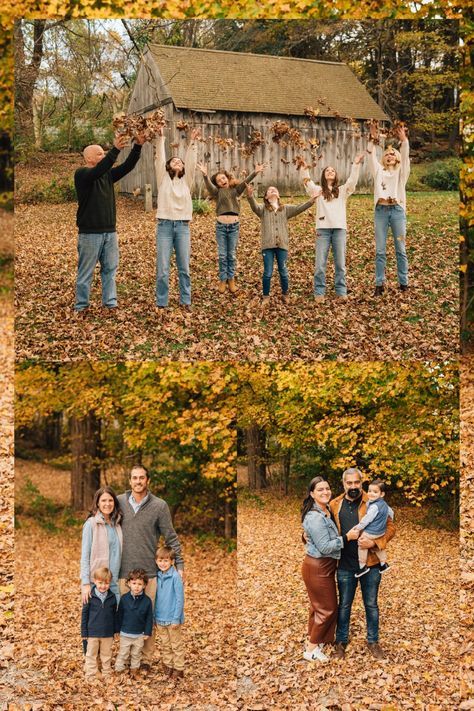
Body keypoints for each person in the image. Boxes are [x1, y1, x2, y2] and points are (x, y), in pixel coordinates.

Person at [117, 464, 183, 672]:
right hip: (123, 572)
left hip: (150, 573)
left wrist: (179, 564)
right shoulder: (119, 502)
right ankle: (127, 657)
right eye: (134, 478)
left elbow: (171, 537)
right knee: (127, 615)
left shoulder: (159, 506)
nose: (138, 481)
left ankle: (144, 660)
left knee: (147, 615)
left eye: (142, 478)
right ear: (129, 481)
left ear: (148, 481)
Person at [74, 131, 146, 313]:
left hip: (110, 232)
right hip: (89, 234)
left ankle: (110, 303)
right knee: (86, 272)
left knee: (110, 270)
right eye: (99, 153)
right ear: (89, 158)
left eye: (104, 153)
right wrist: (115, 150)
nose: (103, 155)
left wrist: (138, 146)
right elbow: (99, 170)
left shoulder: (107, 175)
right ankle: (81, 306)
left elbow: (128, 166)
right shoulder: (82, 174)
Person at [329, 467, 396, 660]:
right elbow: (322, 525)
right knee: (344, 605)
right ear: (343, 484)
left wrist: (375, 542)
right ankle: (341, 642)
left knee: (371, 604)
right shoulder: (335, 504)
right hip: (344, 564)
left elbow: (391, 528)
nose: (353, 486)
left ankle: (373, 642)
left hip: (371, 563)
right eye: (349, 483)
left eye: (356, 482)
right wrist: (305, 535)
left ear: (362, 482)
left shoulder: (373, 501)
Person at [301, 476, 359, 662]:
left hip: (324, 566)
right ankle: (310, 650)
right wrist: (347, 538)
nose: (325, 492)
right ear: (312, 494)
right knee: (328, 609)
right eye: (320, 490)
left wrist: (305, 534)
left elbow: (315, 535)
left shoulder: (327, 510)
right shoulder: (315, 516)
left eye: (327, 488)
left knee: (317, 607)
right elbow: (325, 546)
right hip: (318, 567)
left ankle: (314, 641)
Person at [301, 155, 365, 302]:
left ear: (336, 175)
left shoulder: (342, 191)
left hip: (339, 230)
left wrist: (355, 165)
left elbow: (352, 182)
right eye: (327, 170)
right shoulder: (317, 190)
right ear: (323, 175)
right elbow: (307, 183)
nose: (330, 171)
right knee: (320, 264)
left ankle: (341, 291)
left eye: (333, 170)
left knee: (340, 263)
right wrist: (304, 170)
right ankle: (319, 292)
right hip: (322, 230)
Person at [197, 161, 266, 294]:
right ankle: (223, 280)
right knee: (223, 255)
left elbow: (245, 181)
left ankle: (231, 279)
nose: (222, 180)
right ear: (217, 184)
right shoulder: (217, 192)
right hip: (221, 227)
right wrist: (205, 175)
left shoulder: (236, 190)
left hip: (234, 226)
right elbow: (209, 187)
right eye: (218, 180)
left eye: (223, 178)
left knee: (231, 255)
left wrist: (255, 172)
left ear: (227, 178)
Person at [246, 184, 316, 306]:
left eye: (275, 190)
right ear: (266, 197)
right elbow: (254, 206)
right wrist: (250, 196)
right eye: (269, 190)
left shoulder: (285, 209)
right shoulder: (262, 209)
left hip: (282, 245)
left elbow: (300, 207)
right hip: (267, 246)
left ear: (278, 195)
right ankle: (266, 296)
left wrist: (311, 201)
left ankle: (285, 294)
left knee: (283, 271)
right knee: (268, 272)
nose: (272, 190)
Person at [154, 126, 200, 309]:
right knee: (163, 269)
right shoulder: (162, 178)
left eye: (179, 162)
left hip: (182, 227)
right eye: (174, 161)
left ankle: (185, 300)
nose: (178, 162)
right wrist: (161, 138)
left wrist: (193, 142)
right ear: (168, 166)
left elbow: (191, 162)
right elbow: (159, 159)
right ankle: (162, 302)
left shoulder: (186, 181)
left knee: (184, 267)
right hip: (164, 226)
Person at [367, 123, 410, 296]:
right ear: (383, 159)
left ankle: (403, 283)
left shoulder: (401, 172)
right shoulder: (378, 171)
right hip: (381, 213)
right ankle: (379, 284)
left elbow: (406, 158)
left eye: (393, 153)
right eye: (387, 154)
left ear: (397, 158)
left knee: (400, 248)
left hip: (397, 213)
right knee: (380, 250)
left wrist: (404, 140)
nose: (390, 155)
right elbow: (371, 155)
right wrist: (372, 138)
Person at [80, 486, 123, 603]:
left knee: (115, 619)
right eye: (103, 500)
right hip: (97, 584)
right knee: (97, 620)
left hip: (114, 583)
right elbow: (85, 556)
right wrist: (85, 583)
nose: (107, 504)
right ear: (97, 503)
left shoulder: (117, 525)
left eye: (110, 500)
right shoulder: (91, 524)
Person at [81, 566, 119, 680]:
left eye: (106, 583)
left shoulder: (112, 597)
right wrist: (84, 632)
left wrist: (116, 630)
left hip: (107, 633)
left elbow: (115, 615)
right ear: (95, 581)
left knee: (106, 655)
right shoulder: (89, 596)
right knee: (91, 655)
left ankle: (107, 673)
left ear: (110, 583)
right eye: (100, 583)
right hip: (92, 632)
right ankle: (91, 674)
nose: (103, 586)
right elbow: (84, 615)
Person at [115, 568, 153, 679]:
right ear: (128, 583)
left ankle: (134, 671)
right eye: (134, 583)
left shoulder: (147, 601)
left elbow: (149, 617)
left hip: (139, 635)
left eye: (140, 584)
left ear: (145, 585)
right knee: (123, 653)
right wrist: (117, 630)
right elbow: (119, 615)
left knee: (136, 655)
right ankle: (119, 670)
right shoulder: (124, 599)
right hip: (125, 634)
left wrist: (147, 631)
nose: (136, 586)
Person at [154, 545, 185, 679]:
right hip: (160, 618)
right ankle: (168, 666)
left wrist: (176, 618)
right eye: (160, 560)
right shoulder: (157, 576)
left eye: (166, 560)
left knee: (176, 645)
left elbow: (180, 599)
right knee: (165, 645)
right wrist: (155, 617)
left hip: (172, 619)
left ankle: (179, 668)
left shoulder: (175, 577)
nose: (163, 563)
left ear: (172, 561)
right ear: (156, 561)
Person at [353, 479, 394, 578]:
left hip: (372, 531)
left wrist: (358, 528)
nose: (371, 494)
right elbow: (391, 513)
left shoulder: (374, 506)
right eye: (369, 491)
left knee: (362, 543)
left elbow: (367, 519)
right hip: (380, 531)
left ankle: (362, 566)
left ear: (382, 494)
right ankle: (383, 564)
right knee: (376, 547)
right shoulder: (384, 504)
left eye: (375, 492)